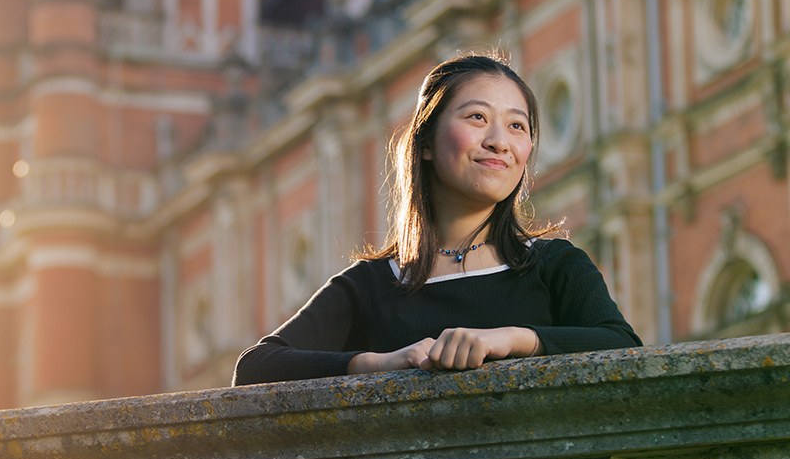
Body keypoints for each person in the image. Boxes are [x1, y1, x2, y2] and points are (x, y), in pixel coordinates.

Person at [232, 52, 642, 386]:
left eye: (517, 125)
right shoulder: (372, 284)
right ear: (426, 143)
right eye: (477, 118)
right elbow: (256, 367)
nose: (499, 141)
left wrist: (512, 339)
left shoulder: (555, 264)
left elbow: (622, 346)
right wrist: (380, 363)